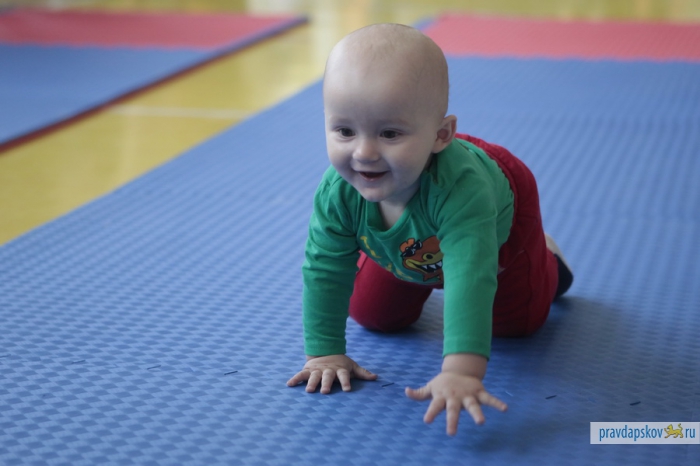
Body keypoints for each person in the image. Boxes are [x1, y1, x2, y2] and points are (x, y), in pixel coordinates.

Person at [286, 23, 573, 436]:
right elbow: (324, 268)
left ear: (441, 135)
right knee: (373, 315)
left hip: (495, 226)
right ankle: (411, 258)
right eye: (345, 131)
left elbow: (470, 275)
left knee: (517, 325)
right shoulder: (339, 192)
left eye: (389, 133)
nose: (364, 152)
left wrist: (460, 371)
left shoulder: (463, 192)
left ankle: (548, 259)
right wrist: (324, 353)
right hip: (413, 244)